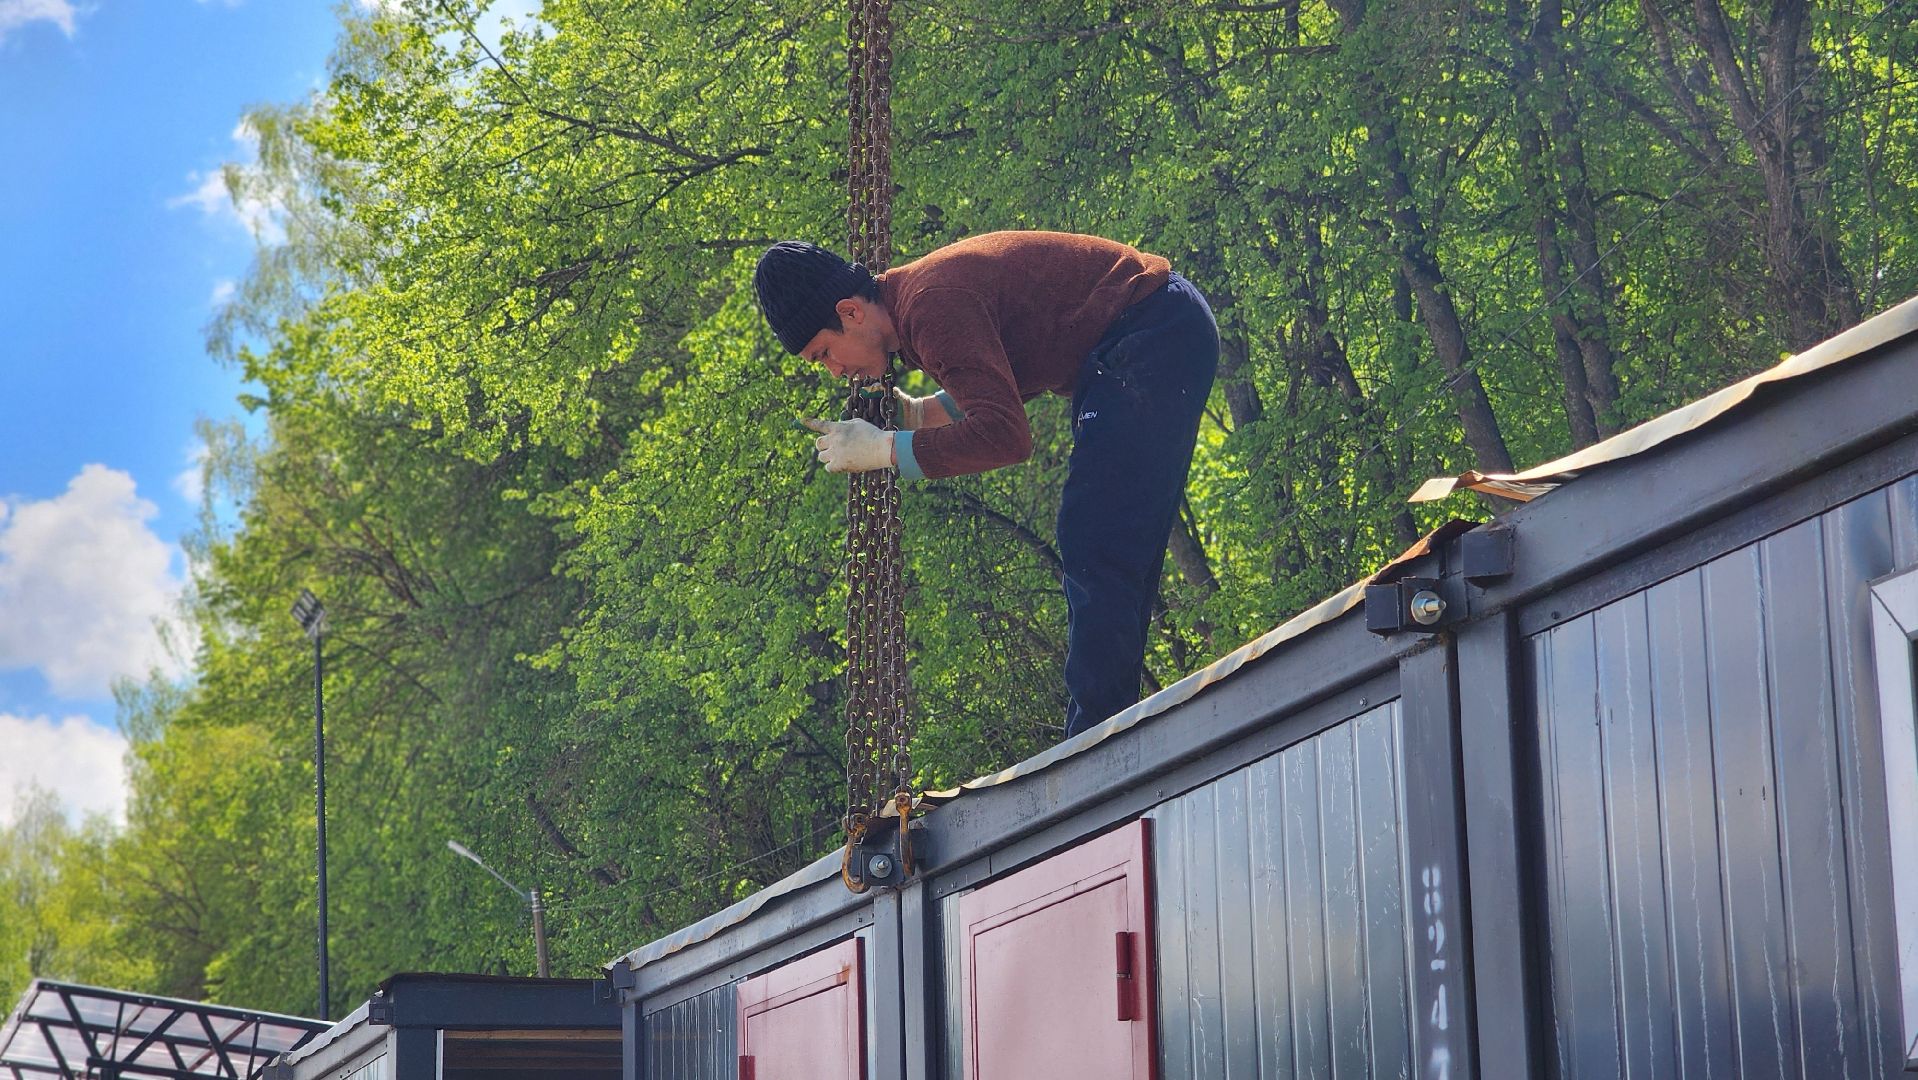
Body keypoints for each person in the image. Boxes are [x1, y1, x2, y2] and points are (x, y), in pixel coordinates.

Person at [754, 230, 1219, 739]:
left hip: (1147, 331)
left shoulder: (932, 308)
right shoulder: (916, 311)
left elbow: (1006, 435)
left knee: (1094, 536)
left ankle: (1096, 743)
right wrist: (916, 415)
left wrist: (884, 451)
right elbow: (991, 375)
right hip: (1156, 328)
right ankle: (1113, 732)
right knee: (1115, 543)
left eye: (825, 353)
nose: (835, 371)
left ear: (850, 312)